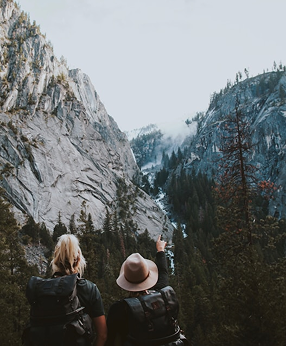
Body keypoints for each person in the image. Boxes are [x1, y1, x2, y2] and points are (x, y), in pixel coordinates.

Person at [24, 234, 107, 346]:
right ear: (78, 259)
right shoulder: (89, 288)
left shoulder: (42, 289)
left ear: (55, 259)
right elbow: (102, 335)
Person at [105, 234, 186, 346]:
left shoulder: (120, 309)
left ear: (125, 281)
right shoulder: (162, 296)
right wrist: (160, 250)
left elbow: (109, 340)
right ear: (148, 276)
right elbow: (163, 273)